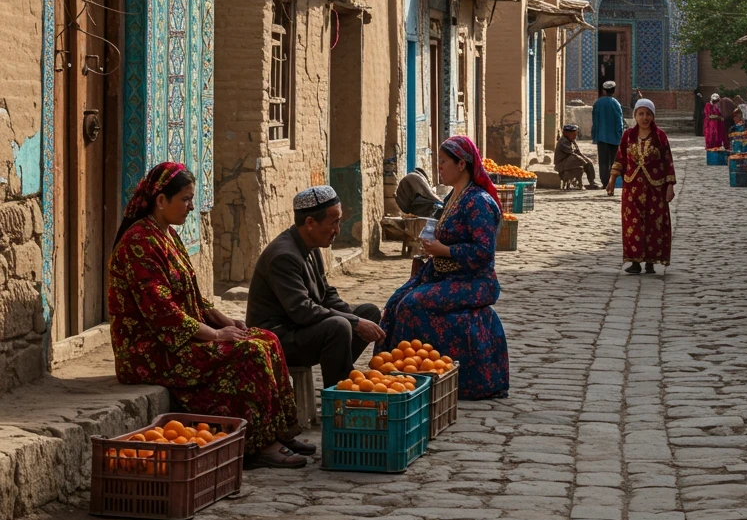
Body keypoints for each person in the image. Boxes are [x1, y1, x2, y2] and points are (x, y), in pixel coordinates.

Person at [107, 163, 305, 468]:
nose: (190, 207)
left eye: (191, 199)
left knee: (265, 339)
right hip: (149, 349)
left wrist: (228, 322)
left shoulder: (168, 236)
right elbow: (162, 313)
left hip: (180, 336)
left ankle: (278, 431)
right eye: (185, 200)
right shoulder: (139, 243)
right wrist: (215, 335)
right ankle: (258, 444)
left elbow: (195, 299)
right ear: (161, 200)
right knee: (248, 353)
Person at [380, 135, 509, 400]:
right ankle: (392, 374)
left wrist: (445, 250)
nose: (438, 167)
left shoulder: (478, 202)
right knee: (395, 303)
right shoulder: (453, 196)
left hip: (473, 281)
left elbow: (484, 252)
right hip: (442, 273)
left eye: (443, 162)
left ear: (461, 164)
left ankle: (418, 378)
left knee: (412, 305)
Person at [246, 186, 386, 390]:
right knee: (339, 326)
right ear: (310, 223)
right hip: (278, 337)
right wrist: (354, 322)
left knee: (369, 313)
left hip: (301, 329)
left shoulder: (311, 246)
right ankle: (340, 392)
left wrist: (359, 320)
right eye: (334, 223)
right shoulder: (283, 256)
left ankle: (344, 375)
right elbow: (303, 311)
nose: (338, 230)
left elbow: (327, 294)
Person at [607, 98, 677, 274]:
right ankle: (635, 261)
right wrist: (611, 180)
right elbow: (620, 158)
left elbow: (667, 161)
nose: (644, 118)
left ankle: (651, 262)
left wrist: (670, 186)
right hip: (632, 189)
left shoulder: (660, 136)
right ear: (635, 116)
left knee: (654, 224)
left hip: (655, 189)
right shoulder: (628, 135)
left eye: (648, 114)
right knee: (633, 225)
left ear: (653, 116)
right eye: (641, 114)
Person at [592, 80, 626, 187]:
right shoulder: (616, 104)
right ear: (614, 90)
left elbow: (595, 121)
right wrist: (620, 136)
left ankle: (604, 182)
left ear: (604, 90)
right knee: (614, 162)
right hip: (614, 138)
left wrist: (595, 136)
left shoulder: (598, 103)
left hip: (601, 137)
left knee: (603, 161)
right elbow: (619, 121)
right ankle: (612, 182)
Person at [554, 123, 600, 189]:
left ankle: (592, 181)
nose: (575, 136)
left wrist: (586, 160)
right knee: (576, 159)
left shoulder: (572, 141)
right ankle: (578, 183)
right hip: (561, 164)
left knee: (588, 162)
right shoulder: (563, 141)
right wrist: (583, 161)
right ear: (566, 133)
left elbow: (578, 152)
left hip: (569, 161)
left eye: (576, 134)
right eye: (573, 134)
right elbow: (572, 153)